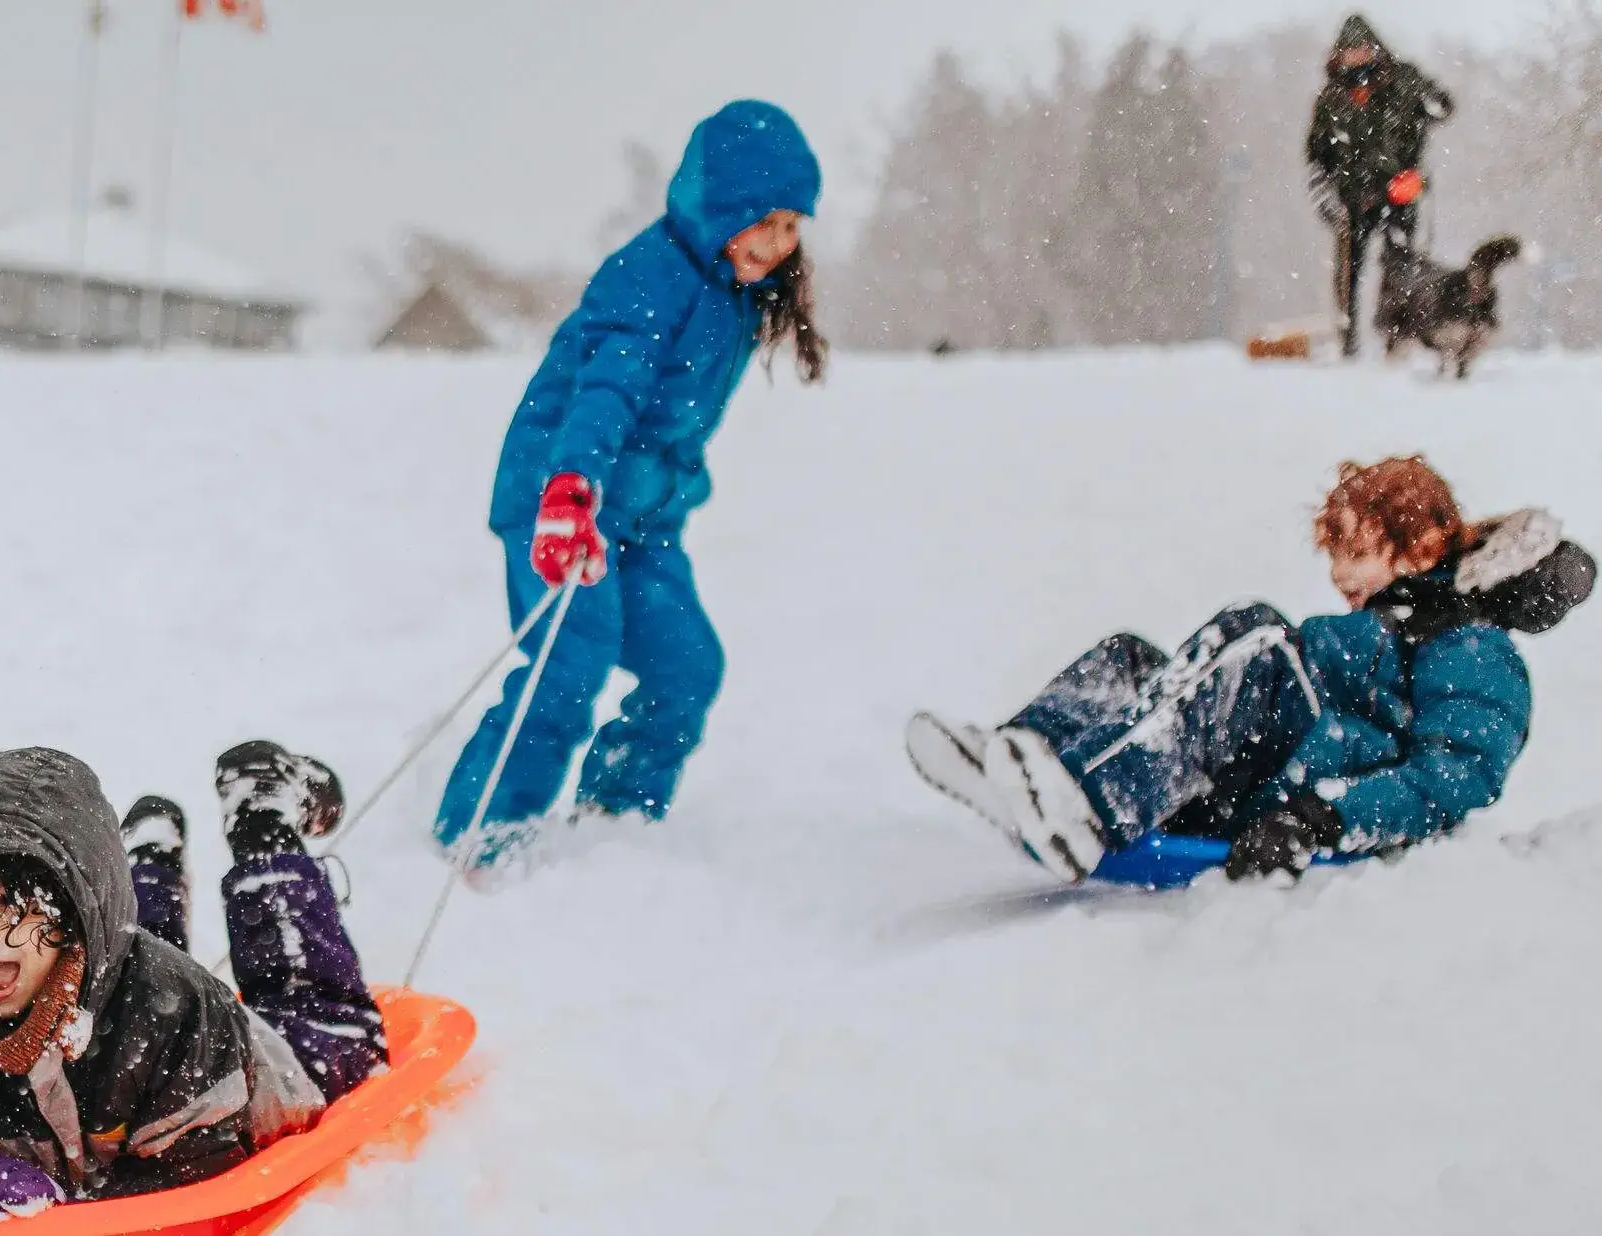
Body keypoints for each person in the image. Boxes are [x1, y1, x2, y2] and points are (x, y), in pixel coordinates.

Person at [437, 100, 826, 869]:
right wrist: (571, 493)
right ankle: (481, 831)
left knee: (687, 668)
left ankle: (616, 817)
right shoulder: (649, 276)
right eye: (764, 222)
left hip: (641, 523)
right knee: (569, 666)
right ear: (717, 207)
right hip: (560, 500)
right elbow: (604, 392)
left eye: (792, 227)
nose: (779, 245)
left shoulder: (734, 292)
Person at [906, 457, 1590, 884]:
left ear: (1423, 542)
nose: (1335, 571)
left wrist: (1325, 817)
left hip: (1302, 786)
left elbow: (1458, 773)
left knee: (1257, 637)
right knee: (1130, 658)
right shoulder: (1384, 626)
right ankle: (1025, 760)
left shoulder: (1469, 645)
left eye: (1352, 548)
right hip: (1263, 760)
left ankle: (1086, 802)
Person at [0, 742, 389, 1236]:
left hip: (269, 1062)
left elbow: (195, 1172)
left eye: (12, 909)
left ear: (70, 901)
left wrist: (60, 1199)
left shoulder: (172, 1009)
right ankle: (148, 855)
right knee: (119, 953)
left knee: (313, 1005)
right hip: (122, 989)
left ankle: (262, 814)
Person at [1307, 14, 1453, 359]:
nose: (1356, 57)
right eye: (1349, 50)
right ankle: (1348, 339)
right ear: (1339, 54)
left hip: (1399, 192)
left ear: (1374, 50)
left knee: (1401, 266)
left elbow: (1443, 105)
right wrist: (1325, 196)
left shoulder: (1403, 80)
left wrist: (1427, 109)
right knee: (1349, 272)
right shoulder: (1332, 98)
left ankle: (1397, 336)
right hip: (1352, 198)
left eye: (1361, 49)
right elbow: (1317, 155)